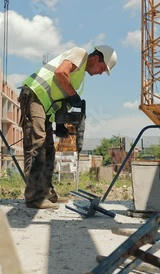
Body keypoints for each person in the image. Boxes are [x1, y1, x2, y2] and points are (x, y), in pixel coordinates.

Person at [18, 45, 117, 209]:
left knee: (49, 149)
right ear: (95, 58)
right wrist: (73, 95)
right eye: (102, 68)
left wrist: (60, 124)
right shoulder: (80, 54)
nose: (100, 73)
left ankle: (46, 192)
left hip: (46, 107)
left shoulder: (79, 79)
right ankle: (33, 197)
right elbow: (60, 73)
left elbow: (62, 99)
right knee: (37, 145)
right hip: (35, 96)